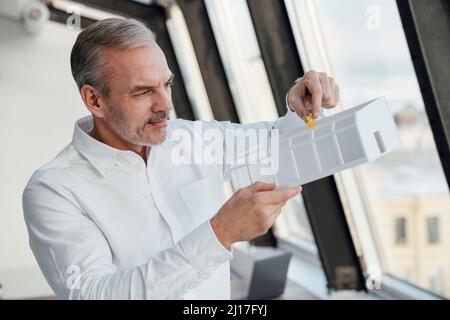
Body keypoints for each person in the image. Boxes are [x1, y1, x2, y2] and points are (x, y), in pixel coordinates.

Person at [22, 18, 339, 299]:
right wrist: (220, 234)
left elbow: (280, 145)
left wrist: (300, 108)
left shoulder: (191, 138)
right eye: (144, 92)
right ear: (95, 100)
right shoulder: (54, 191)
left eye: (167, 84)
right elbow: (94, 295)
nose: (165, 105)